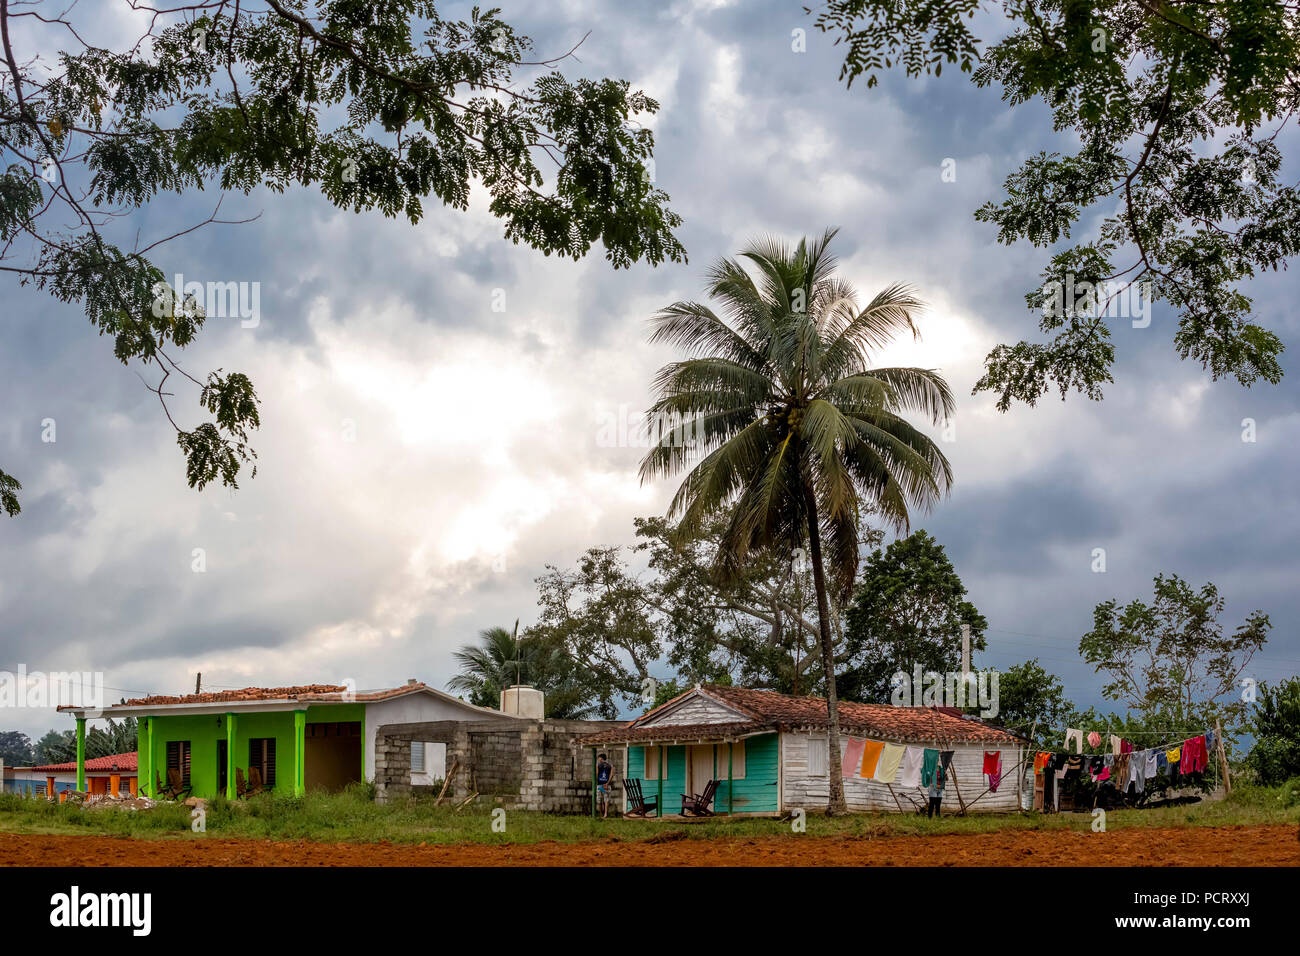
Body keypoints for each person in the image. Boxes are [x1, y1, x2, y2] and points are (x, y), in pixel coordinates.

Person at [595, 753, 614, 818]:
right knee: (606, 800)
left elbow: (596, 774)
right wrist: (607, 783)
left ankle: (600, 814)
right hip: (606, 786)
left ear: (601, 758)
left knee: (599, 800)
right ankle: (605, 814)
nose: (598, 759)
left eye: (599, 758)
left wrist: (598, 781)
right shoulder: (610, 766)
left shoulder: (598, 765)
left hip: (600, 785)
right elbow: (611, 775)